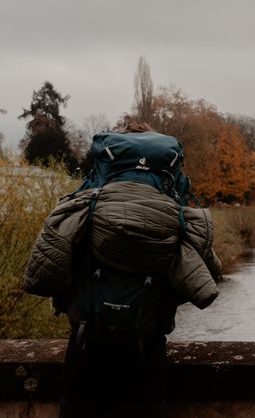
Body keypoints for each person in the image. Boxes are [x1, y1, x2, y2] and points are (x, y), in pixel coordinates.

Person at [24, 122, 221, 417]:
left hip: (86, 349)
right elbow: (207, 276)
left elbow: (46, 275)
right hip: (146, 355)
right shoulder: (177, 220)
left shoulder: (82, 210)